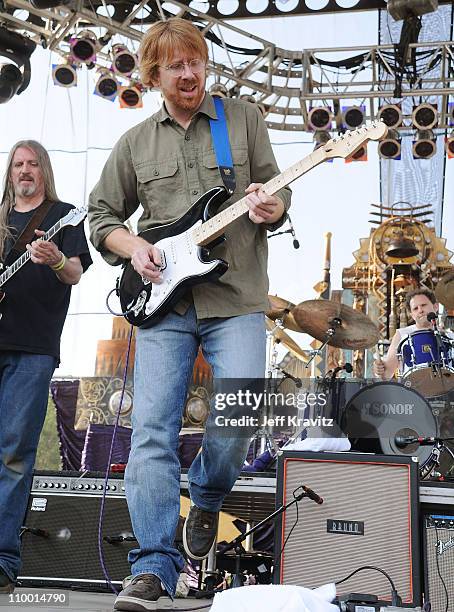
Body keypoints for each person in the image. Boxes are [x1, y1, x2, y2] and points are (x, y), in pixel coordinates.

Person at [88, 17, 291, 611]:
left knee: (236, 421)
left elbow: (278, 197)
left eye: (196, 61)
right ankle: (153, 567)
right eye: (175, 65)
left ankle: (204, 495)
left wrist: (271, 207)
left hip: (238, 299)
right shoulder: (135, 143)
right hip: (162, 303)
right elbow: (102, 217)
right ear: (154, 75)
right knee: (151, 434)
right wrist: (137, 247)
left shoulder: (243, 120)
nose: (189, 73)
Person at [0, 140, 92, 593]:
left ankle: (1, 560)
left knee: (14, 453)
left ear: (44, 170)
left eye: (33, 163)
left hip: (33, 348)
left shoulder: (66, 215)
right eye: (18, 164)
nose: (25, 170)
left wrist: (55, 258)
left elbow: (75, 271)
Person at [373, 288, 442, 379]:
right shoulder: (402, 334)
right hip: (412, 390)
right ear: (412, 315)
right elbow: (386, 374)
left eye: (423, 305)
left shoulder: (449, 336)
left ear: (436, 306)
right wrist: (378, 370)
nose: (420, 310)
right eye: (415, 308)